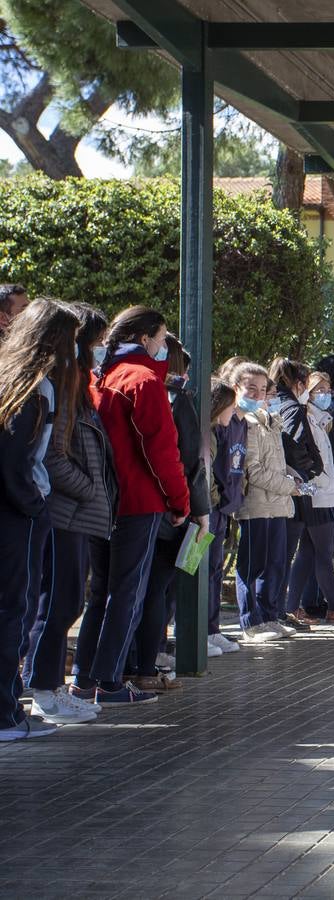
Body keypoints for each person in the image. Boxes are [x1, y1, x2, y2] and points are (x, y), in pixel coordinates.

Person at [73, 306, 190, 706]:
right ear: (144, 338)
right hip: (138, 502)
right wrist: (179, 501)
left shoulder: (99, 377)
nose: (163, 346)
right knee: (127, 593)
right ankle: (109, 681)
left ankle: (84, 678)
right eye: (161, 338)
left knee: (100, 592)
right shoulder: (143, 380)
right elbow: (161, 450)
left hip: (100, 500)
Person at [25, 303, 114, 724]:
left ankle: (49, 686)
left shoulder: (74, 389)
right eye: (95, 342)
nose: (97, 351)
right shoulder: (58, 389)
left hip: (76, 512)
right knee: (58, 603)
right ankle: (43, 689)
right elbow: (54, 457)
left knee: (66, 602)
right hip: (64, 512)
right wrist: (87, 488)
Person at [0, 300, 80, 740]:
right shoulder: (34, 388)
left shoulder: (11, 377)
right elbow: (16, 462)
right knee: (17, 611)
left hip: (17, 510)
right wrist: (34, 506)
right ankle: (7, 715)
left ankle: (10, 708)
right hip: (19, 515)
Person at [128, 335, 210, 692]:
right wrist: (199, 510)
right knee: (156, 591)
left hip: (128, 508)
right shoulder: (176, 398)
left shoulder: (123, 386)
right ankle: (146, 667)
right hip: (168, 511)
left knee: (127, 590)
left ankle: (124, 664)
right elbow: (191, 461)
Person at [288, 370, 334, 624]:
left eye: (328, 390)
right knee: (323, 552)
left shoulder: (321, 419)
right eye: (319, 389)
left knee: (308, 552)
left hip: (321, 493)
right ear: (307, 392)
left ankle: (292, 606)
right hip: (315, 494)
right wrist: (314, 483)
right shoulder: (306, 418)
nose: (325, 394)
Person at [234, 363, 300, 643]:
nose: (259, 395)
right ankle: (250, 622)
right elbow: (254, 470)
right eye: (252, 388)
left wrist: (293, 478)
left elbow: (277, 464)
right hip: (256, 506)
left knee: (275, 565)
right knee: (252, 566)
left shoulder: (272, 423)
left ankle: (270, 616)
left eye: (263, 390)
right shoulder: (248, 424)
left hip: (278, 506)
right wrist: (289, 486)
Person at [268, 358, 325, 633]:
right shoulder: (291, 408)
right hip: (291, 487)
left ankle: (277, 611)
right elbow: (293, 445)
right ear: (298, 383)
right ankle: (277, 611)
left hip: (283, 487)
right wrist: (309, 468)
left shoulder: (280, 405)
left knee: (280, 555)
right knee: (283, 554)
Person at [204, 379, 243, 655]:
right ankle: (195, 632)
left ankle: (211, 629)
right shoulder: (206, 433)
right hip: (205, 511)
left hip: (217, 510)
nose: (235, 411)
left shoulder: (220, 431)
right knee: (201, 572)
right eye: (232, 405)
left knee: (214, 571)